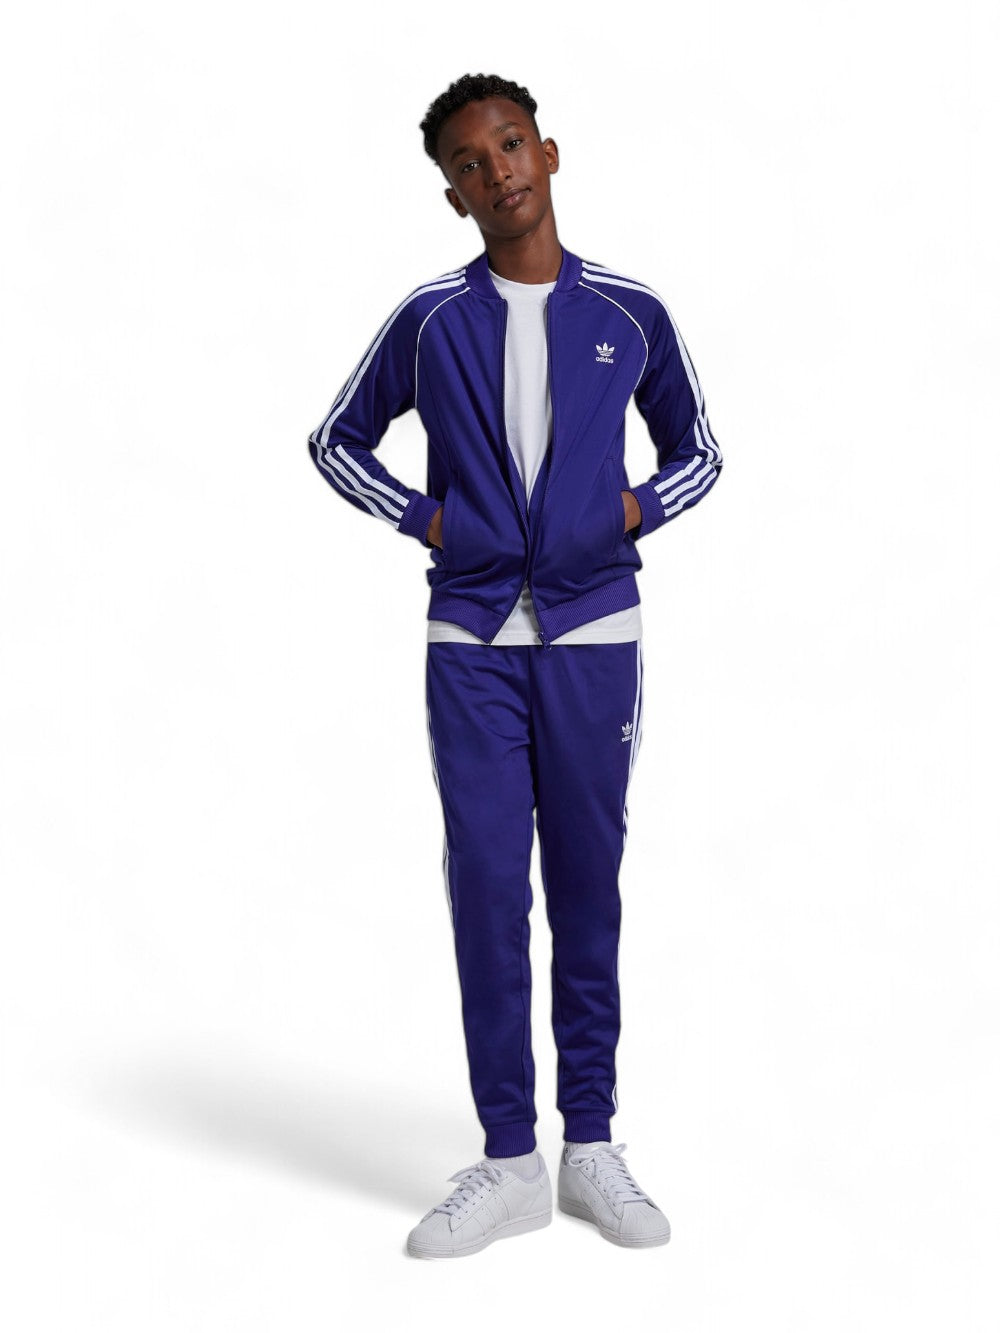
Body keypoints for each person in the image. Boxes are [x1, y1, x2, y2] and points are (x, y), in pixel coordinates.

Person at [307, 72, 723, 1258]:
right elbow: (335, 440)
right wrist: (430, 521)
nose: (495, 172)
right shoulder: (431, 320)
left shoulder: (629, 312)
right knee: (488, 886)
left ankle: (589, 1144)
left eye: (508, 146)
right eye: (468, 164)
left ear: (548, 151)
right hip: (472, 638)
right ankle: (507, 1161)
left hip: (595, 633)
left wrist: (627, 513)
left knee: (588, 884)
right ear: (453, 195)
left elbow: (699, 451)